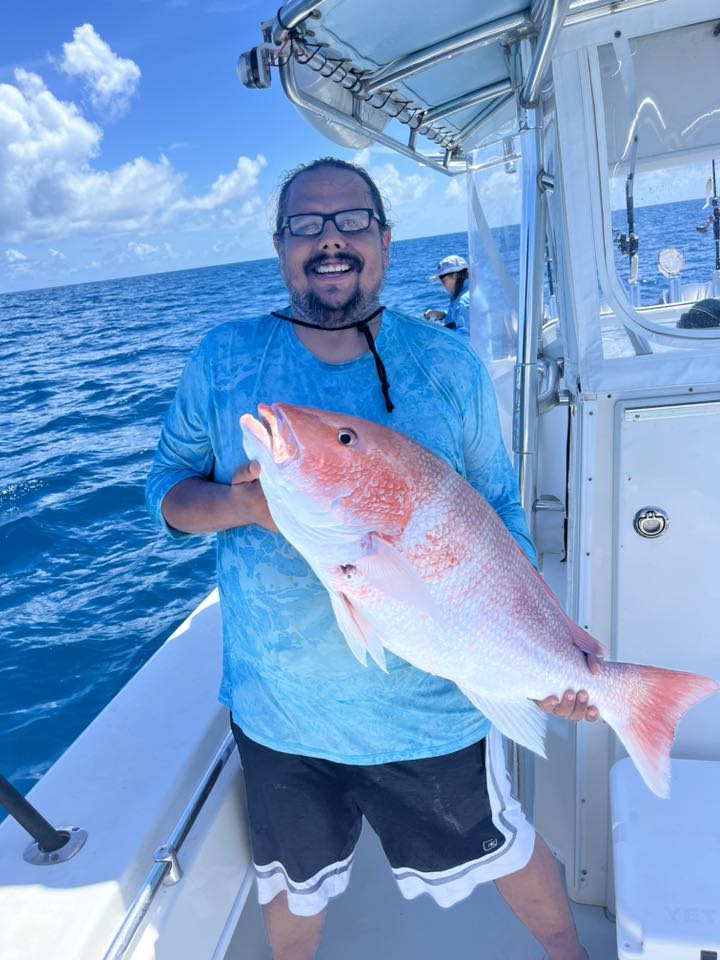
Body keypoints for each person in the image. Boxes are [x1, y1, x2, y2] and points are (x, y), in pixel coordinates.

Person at [146, 157, 599, 960]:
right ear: (280, 245)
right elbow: (168, 495)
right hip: (280, 712)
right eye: (306, 225)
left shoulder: (447, 366)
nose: (330, 241)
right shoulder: (224, 360)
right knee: (292, 887)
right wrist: (245, 506)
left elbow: (499, 518)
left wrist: (552, 640)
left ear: (385, 239)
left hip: (432, 708)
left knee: (506, 849)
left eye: (352, 221)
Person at [423, 253, 471, 336]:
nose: (442, 285)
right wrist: (443, 315)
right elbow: (459, 316)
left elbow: (465, 338)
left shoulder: (463, 301)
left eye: (443, 279)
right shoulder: (462, 295)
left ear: (456, 275)